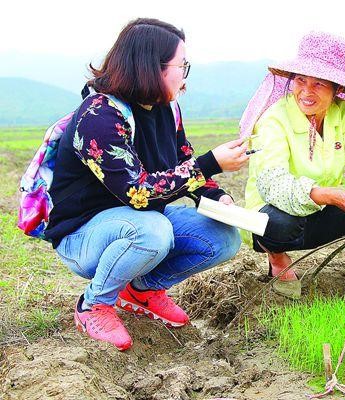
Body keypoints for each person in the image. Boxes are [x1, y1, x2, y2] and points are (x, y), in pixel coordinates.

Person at [45, 18, 248, 350]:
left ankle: (141, 290)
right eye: (181, 65)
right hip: (83, 236)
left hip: (139, 223)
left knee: (223, 237)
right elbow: (138, 193)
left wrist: (216, 196)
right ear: (151, 67)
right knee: (153, 230)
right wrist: (210, 163)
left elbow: (183, 161)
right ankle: (93, 303)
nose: (184, 75)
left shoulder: (168, 109)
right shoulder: (99, 117)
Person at [241, 32, 345, 300]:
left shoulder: (341, 113)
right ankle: (279, 263)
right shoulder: (274, 120)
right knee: (277, 222)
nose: (306, 92)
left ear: (336, 89)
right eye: (300, 80)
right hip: (278, 221)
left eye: (319, 84)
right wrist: (324, 194)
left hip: (324, 210)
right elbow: (273, 183)